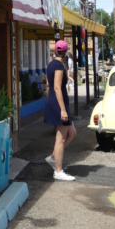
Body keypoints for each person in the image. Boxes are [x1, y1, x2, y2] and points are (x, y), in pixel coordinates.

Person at [44, 39, 77, 181]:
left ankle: (53, 157)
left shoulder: (51, 64)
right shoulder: (58, 66)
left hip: (55, 102)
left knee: (72, 133)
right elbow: (57, 87)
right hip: (59, 104)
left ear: (56, 50)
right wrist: (62, 110)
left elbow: (48, 85)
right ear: (65, 52)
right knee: (61, 138)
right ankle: (58, 170)